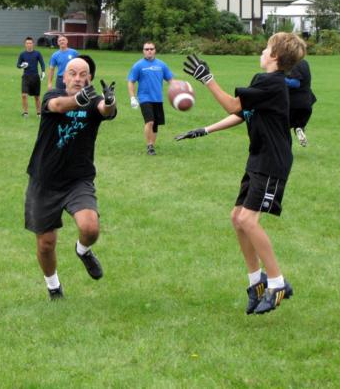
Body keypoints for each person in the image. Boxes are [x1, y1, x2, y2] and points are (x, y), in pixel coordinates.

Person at [176, 32, 306, 314]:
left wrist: (207, 79)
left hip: (272, 161)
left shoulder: (272, 83)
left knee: (248, 219)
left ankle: (277, 283)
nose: (262, 51)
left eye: (266, 48)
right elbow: (243, 113)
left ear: (275, 56)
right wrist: (205, 130)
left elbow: (233, 105)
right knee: (237, 218)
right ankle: (256, 281)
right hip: (258, 158)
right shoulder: (265, 82)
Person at [24, 56, 117, 300]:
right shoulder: (52, 96)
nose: (77, 78)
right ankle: (53, 287)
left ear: (90, 79)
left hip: (78, 180)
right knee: (46, 243)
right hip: (44, 181)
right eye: (72, 73)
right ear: (64, 77)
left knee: (90, 227)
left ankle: (83, 250)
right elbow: (58, 106)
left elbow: (105, 110)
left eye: (83, 74)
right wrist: (77, 100)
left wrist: (110, 102)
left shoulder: (93, 101)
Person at [127, 42, 173, 155]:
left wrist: (178, 90)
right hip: (144, 98)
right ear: (143, 51)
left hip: (158, 99)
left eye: (151, 49)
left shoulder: (162, 65)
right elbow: (131, 82)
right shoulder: (138, 65)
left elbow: (171, 80)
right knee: (150, 122)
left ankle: (152, 144)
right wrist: (132, 97)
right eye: (146, 49)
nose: (149, 51)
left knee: (155, 125)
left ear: (155, 50)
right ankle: (149, 146)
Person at [285, 58, 316, 147]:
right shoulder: (304, 62)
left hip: (294, 103)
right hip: (307, 102)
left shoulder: (293, 63)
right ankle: (299, 128)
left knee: (283, 128)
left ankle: (285, 149)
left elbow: (296, 83)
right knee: (299, 124)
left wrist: (280, 79)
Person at [17, 36, 46, 117]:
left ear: (33, 44)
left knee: (37, 97)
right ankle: (25, 112)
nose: (29, 45)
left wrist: (43, 71)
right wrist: (22, 65)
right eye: (27, 43)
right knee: (24, 95)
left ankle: (39, 113)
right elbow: (18, 65)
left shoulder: (37, 53)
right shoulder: (22, 54)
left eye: (30, 43)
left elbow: (42, 63)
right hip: (26, 77)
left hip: (35, 77)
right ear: (25, 44)